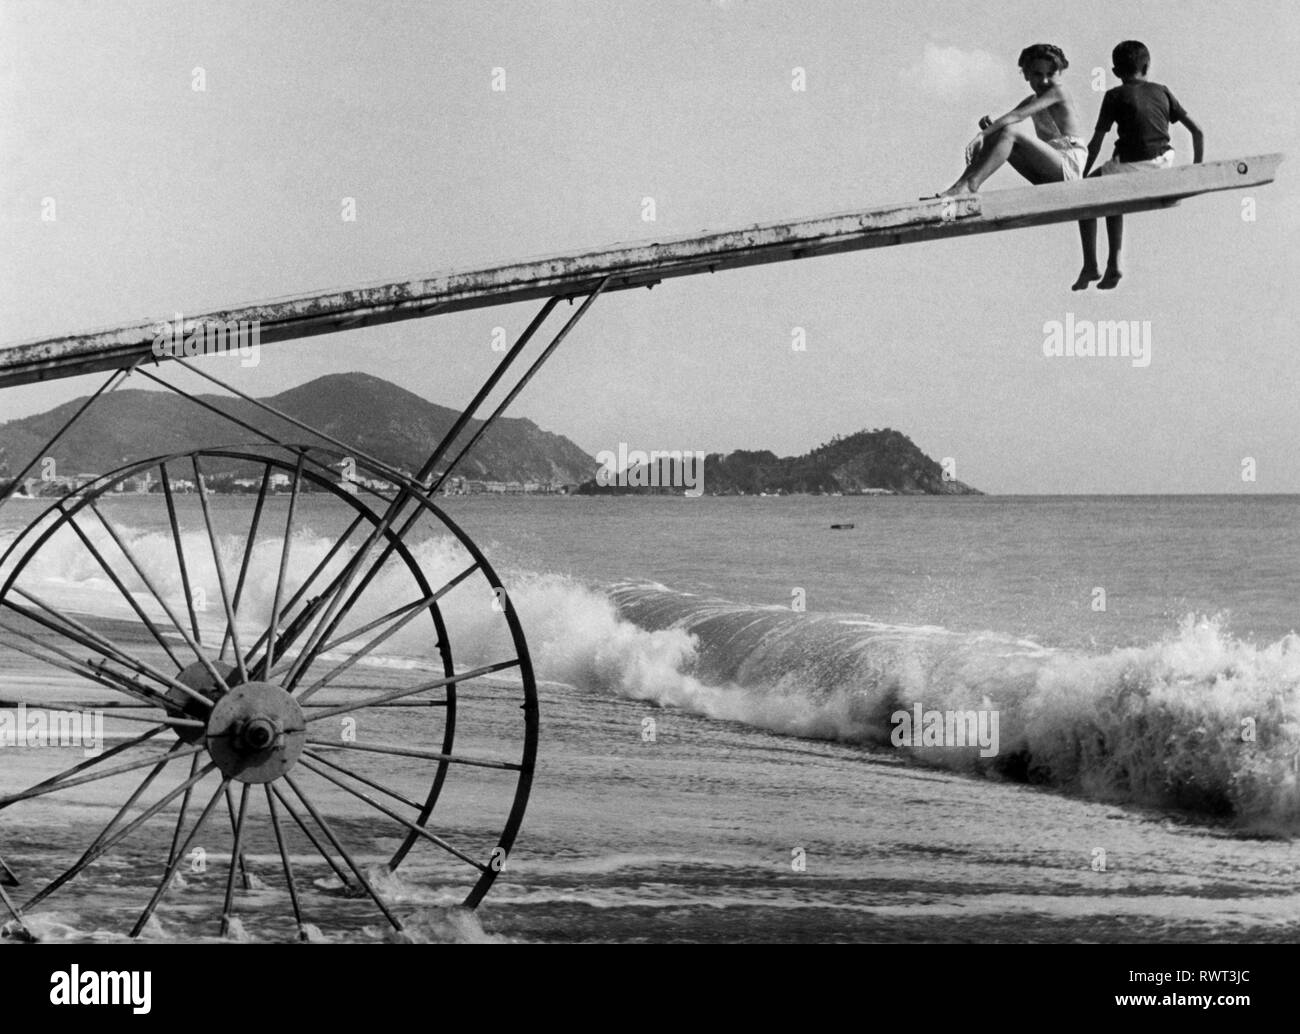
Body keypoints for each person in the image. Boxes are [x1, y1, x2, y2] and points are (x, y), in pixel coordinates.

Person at [1074, 40, 1205, 290]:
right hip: (1164, 160)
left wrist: (1080, 177)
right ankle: (1113, 264)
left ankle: (1091, 264)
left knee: (1088, 192)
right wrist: (1197, 169)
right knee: (1111, 191)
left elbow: (1096, 143)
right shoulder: (1163, 90)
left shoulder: (1114, 95)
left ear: (1115, 72)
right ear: (1147, 66)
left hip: (1132, 165)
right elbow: (1197, 131)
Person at [935, 44, 1087, 198]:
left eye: (1050, 74)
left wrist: (982, 134)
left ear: (1060, 73)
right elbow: (1010, 117)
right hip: (1048, 170)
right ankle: (960, 186)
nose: (1045, 80)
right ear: (1027, 75)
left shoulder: (1058, 92)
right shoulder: (1032, 100)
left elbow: (1018, 116)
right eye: (1038, 74)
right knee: (998, 133)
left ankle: (971, 185)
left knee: (1009, 132)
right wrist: (990, 127)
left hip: (1068, 166)